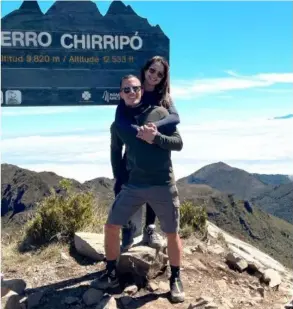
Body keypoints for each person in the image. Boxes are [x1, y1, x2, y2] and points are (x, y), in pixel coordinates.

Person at [96, 74, 185, 303]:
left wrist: (156, 138)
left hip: (162, 184)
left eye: (135, 88)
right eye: (126, 89)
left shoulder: (160, 114)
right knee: (111, 226)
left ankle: (175, 278)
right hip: (133, 185)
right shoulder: (119, 124)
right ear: (121, 93)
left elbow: (179, 144)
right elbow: (115, 153)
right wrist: (120, 179)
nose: (131, 92)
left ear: (141, 90)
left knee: (172, 233)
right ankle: (112, 274)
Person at [113, 56, 180, 251]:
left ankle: (149, 228)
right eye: (152, 71)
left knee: (154, 186)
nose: (154, 76)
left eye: (159, 74)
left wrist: (152, 129)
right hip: (133, 151)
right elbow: (120, 122)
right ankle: (128, 229)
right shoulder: (132, 91)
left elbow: (175, 118)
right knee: (124, 184)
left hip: (156, 150)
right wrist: (139, 132)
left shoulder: (163, 98)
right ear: (145, 70)